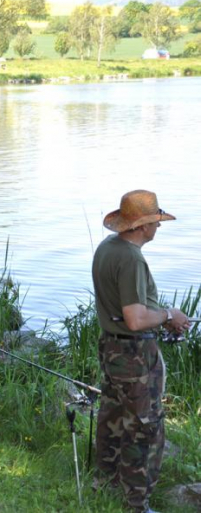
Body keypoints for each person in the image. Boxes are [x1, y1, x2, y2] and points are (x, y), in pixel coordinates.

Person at [92, 190, 190, 513]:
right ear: (141, 225)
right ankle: (136, 504)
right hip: (134, 355)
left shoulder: (107, 249)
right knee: (144, 428)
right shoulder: (131, 258)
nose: (158, 227)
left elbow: (127, 313)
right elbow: (135, 319)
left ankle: (103, 485)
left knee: (112, 418)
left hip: (111, 347)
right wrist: (168, 316)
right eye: (154, 221)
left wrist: (159, 317)